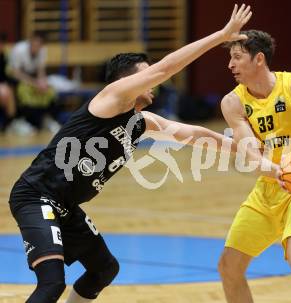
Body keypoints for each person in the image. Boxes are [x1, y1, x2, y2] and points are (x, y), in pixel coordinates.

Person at [8, 4, 251, 303]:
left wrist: (243, 150)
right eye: (146, 76)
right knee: (51, 284)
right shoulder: (110, 99)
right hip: (37, 195)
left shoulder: (141, 122)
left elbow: (194, 135)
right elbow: (166, 68)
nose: (154, 83)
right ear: (125, 82)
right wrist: (221, 36)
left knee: (104, 269)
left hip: (66, 205)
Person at [218, 30, 291, 303]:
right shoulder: (233, 102)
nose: (230, 65)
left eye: (237, 57)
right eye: (230, 58)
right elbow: (251, 155)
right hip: (269, 187)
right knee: (228, 267)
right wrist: (276, 172)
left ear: (259, 59)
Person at [8, 31, 60, 134]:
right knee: (25, 91)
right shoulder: (19, 49)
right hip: (15, 78)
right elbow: (15, 72)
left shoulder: (42, 51)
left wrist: (42, 83)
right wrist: (34, 83)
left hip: (32, 78)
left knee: (50, 91)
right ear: (30, 42)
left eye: (39, 45)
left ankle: (48, 119)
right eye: (34, 44)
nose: (36, 47)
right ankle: (21, 121)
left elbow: (41, 70)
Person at [0, 32, 16, 131]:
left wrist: (5, 84)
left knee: (9, 92)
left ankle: (8, 123)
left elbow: (6, 75)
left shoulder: (5, 57)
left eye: (2, 44)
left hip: (2, 85)